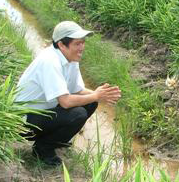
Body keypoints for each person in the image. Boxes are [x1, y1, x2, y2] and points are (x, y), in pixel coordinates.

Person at [16, 21, 121, 166]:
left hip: (43, 113)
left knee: (90, 102)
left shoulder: (71, 59)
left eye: (83, 43)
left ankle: (56, 140)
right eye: (77, 44)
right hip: (24, 122)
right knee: (77, 113)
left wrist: (102, 94)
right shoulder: (50, 61)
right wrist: (96, 95)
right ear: (61, 44)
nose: (82, 47)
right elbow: (65, 101)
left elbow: (78, 90)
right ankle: (42, 149)